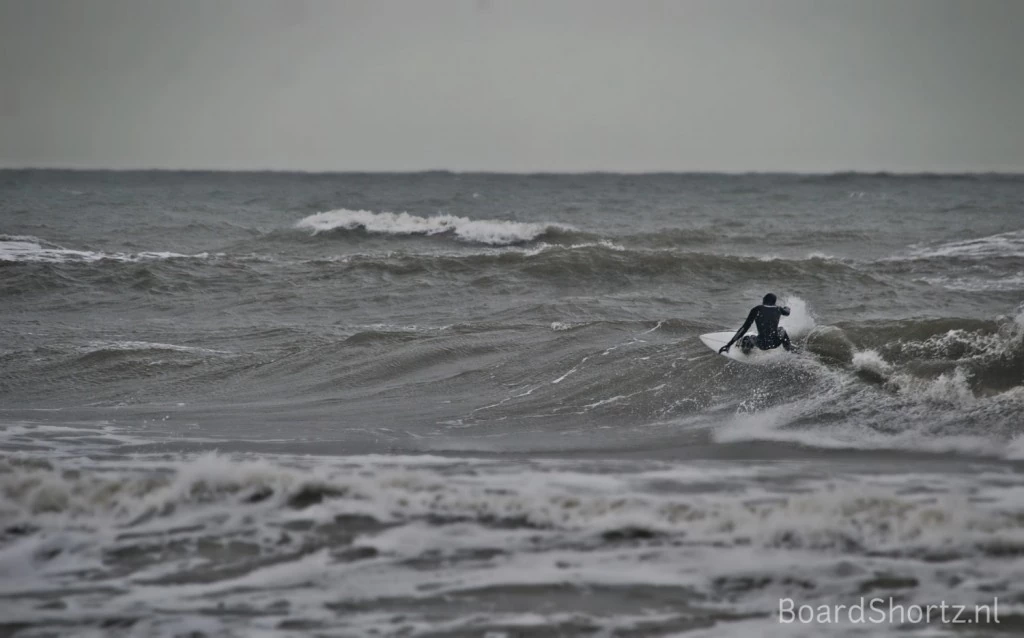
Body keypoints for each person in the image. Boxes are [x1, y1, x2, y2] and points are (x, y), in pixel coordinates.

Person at [718, 293, 793, 354]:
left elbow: (744, 328)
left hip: (762, 344)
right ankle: (788, 348)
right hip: (775, 342)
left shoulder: (757, 309)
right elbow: (787, 312)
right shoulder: (778, 309)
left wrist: (729, 344)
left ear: (764, 300)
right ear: (774, 302)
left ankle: (746, 353)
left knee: (747, 338)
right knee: (781, 330)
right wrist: (787, 307)